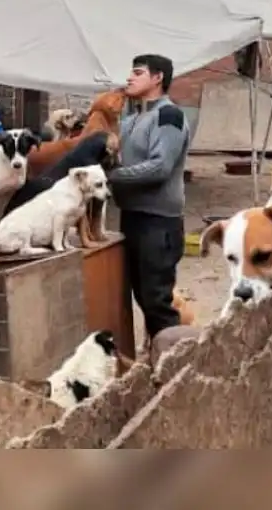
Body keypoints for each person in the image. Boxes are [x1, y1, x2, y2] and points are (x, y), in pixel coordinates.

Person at [107, 54, 191, 342]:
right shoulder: (131, 120)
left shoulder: (169, 116)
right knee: (139, 296)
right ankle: (157, 357)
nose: (129, 78)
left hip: (158, 223)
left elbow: (160, 167)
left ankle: (177, 361)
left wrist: (112, 177)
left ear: (158, 78)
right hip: (132, 217)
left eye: (138, 73)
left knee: (156, 302)